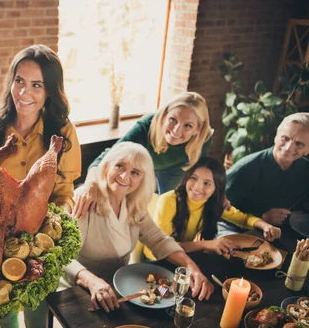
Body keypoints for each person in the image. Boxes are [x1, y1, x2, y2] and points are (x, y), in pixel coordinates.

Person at [0, 44, 81, 328]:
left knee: (37, 309)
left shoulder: (63, 134)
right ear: (11, 82)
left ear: (50, 91)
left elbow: (65, 190)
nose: (25, 92)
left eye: (37, 85)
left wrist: (58, 217)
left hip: (40, 241)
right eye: (20, 81)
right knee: (2, 306)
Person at [60, 142, 214, 314]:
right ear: (106, 167)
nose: (125, 176)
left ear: (142, 180)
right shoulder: (85, 199)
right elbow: (62, 256)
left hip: (118, 288)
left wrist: (190, 265)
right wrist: (91, 281)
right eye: (119, 166)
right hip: (79, 289)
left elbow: (158, 239)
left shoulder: (134, 204)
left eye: (135, 172)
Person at [72, 91, 214, 218]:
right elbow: (108, 156)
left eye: (188, 125)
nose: (176, 130)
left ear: (198, 129)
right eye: (173, 120)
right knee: (131, 205)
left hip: (175, 169)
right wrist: (90, 185)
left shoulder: (204, 138)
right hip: (140, 167)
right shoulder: (147, 125)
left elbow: (200, 173)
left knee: (169, 211)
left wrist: (217, 196)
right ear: (164, 116)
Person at [142, 157, 281, 261]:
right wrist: (206, 244)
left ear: (216, 189)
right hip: (157, 259)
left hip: (183, 258)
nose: (197, 187)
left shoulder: (213, 202)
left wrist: (265, 226)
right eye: (194, 178)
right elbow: (162, 247)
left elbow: (243, 218)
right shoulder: (169, 200)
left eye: (207, 183)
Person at [224, 112, 309, 233]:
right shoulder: (243, 169)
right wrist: (262, 216)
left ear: (307, 150)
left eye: (299, 144)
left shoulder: (306, 169)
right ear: (276, 136)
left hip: (278, 229)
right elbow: (217, 209)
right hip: (235, 227)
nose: (289, 148)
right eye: (285, 138)